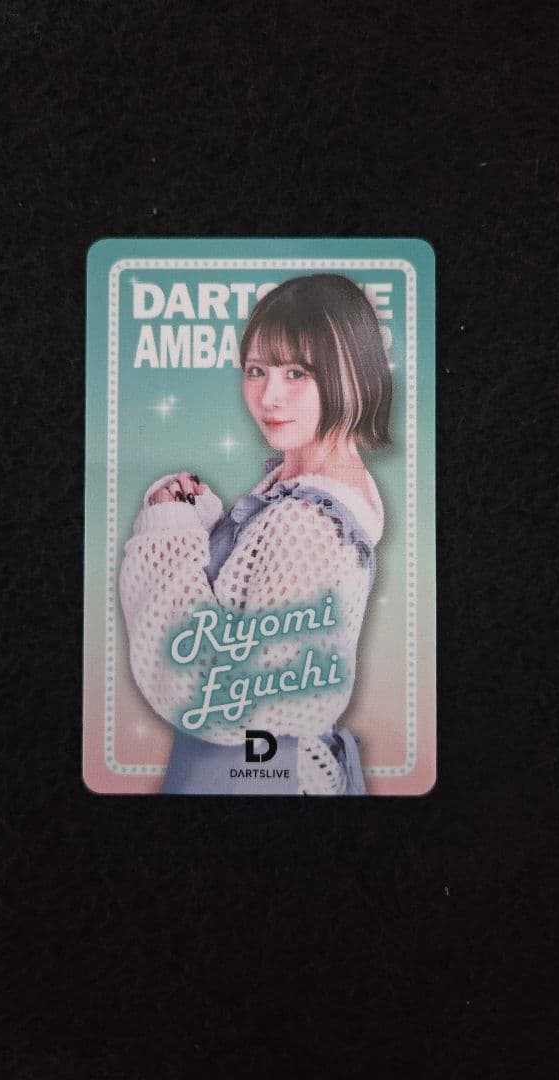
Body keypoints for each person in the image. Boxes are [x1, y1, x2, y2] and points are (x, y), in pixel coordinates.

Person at [119, 273, 392, 794]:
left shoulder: (304, 522)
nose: (269, 396)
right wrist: (202, 519)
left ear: (355, 374)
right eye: (256, 370)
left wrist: (168, 533)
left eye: (297, 373)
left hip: (259, 776)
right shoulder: (310, 487)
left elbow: (225, 698)